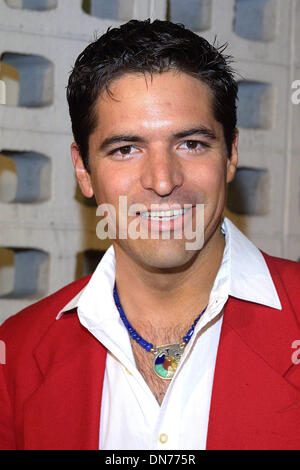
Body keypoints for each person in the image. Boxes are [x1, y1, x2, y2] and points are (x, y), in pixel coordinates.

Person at [0, 19, 299, 451]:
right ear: (83, 170)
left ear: (231, 154)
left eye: (191, 143)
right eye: (126, 149)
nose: (162, 181)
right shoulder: (17, 353)